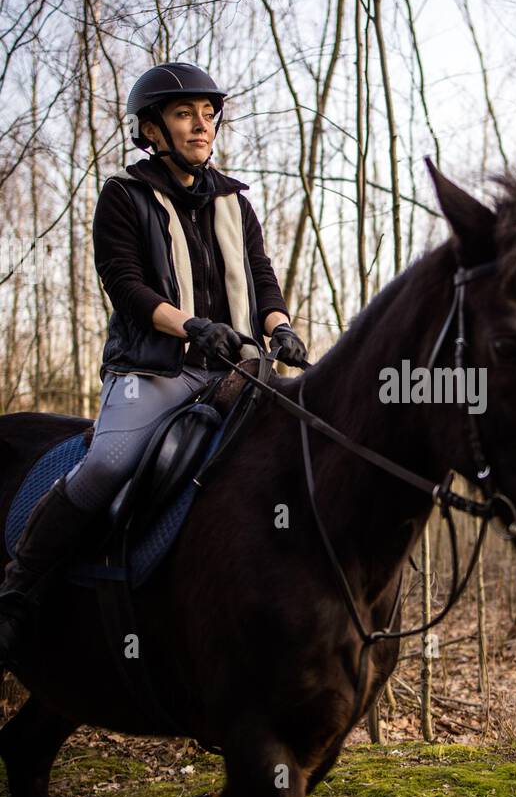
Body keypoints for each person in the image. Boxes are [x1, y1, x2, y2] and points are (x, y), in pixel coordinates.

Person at [0, 60, 307, 663]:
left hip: (235, 371)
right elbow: (128, 286)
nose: (202, 125)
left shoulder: (235, 204)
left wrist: (281, 327)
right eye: (185, 114)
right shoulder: (124, 196)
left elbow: (262, 279)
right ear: (152, 129)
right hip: (154, 373)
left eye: (208, 114)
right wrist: (193, 327)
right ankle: (17, 591)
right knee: (108, 462)